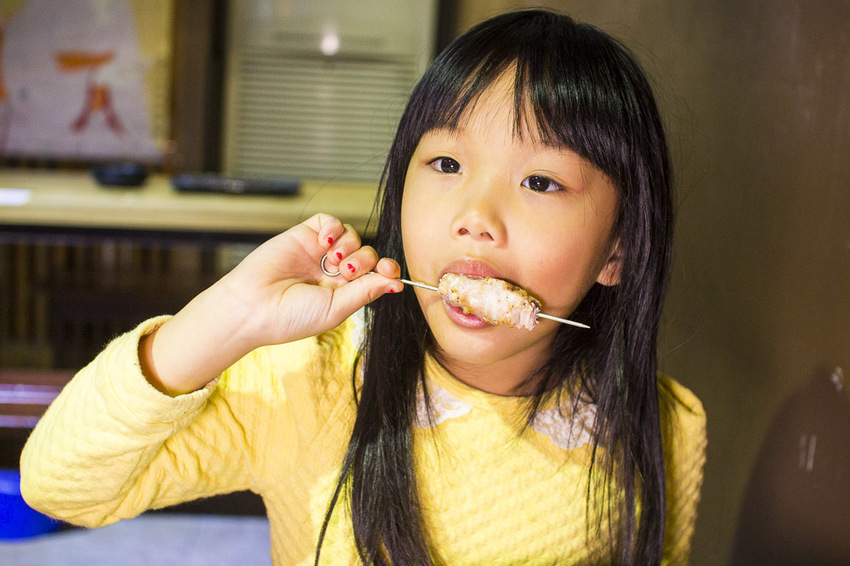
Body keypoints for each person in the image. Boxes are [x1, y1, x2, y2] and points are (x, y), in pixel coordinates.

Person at [21, 9, 706, 566]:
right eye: (445, 161)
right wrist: (229, 317)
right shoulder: (316, 380)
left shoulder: (666, 426)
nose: (475, 218)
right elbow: (59, 485)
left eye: (540, 181)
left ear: (617, 251)